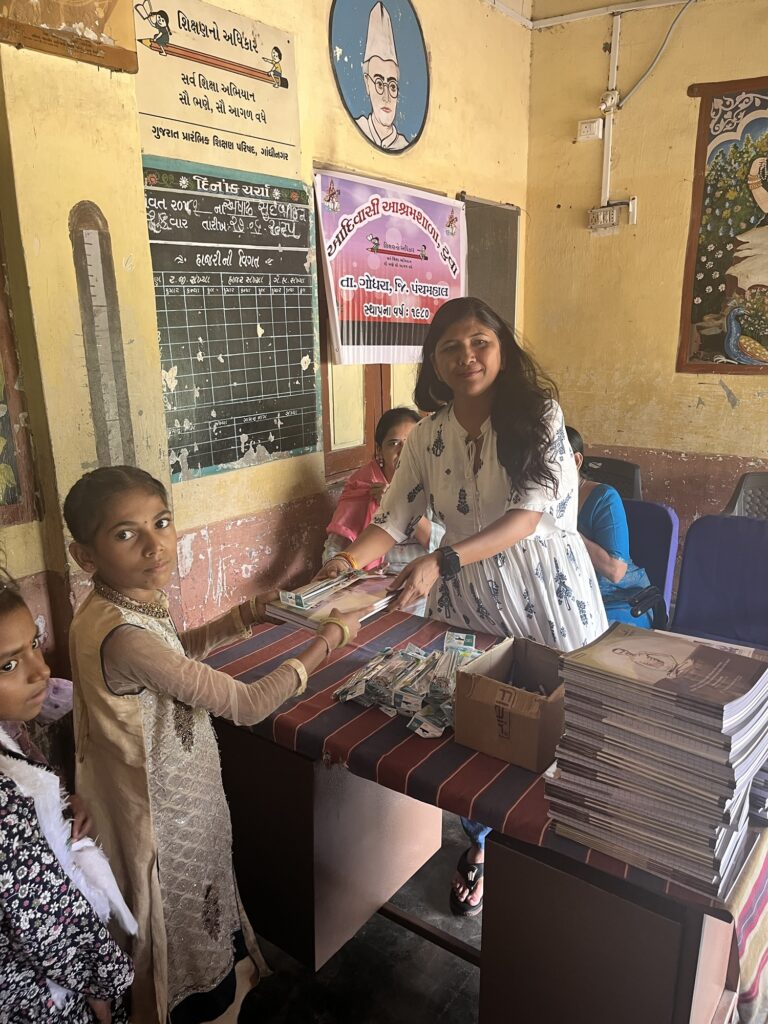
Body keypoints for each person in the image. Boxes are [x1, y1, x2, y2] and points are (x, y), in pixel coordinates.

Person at [315, 296, 608, 916]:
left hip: (545, 595)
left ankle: (560, 863)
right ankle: (479, 844)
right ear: (434, 361)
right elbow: (392, 521)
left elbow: (526, 519)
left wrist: (441, 560)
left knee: (564, 727)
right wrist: (344, 564)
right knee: (482, 730)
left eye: (480, 342)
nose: (466, 356)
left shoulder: (539, 416)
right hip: (469, 605)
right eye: (450, 347)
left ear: (502, 350)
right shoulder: (427, 435)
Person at [63, 466, 362, 1024]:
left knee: (202, 915)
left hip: (168, 795)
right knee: (185, 929)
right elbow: (247, 705)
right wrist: (329, 641)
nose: (155, 545)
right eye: (126, 534)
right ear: (85, 556)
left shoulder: (114, 606)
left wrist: (244, 616)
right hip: (166, 815)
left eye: (161, 522)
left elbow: (172, 657)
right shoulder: (123, 635)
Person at [0, 570, 135, 1023]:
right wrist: (101, 984)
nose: (41, 670)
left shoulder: (8, 731)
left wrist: (61, 806)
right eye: (8, 665)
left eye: (34, 645)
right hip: (38, 994)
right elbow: (46, 922)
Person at [323, 407, 444, 585]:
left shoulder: (437, 485)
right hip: (369, 583)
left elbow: (446, 546)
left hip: (424, 582)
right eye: (394, 443)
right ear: (379, 450)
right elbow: (335, 548)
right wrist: (342, 572)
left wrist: (398, 507)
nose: (403, 451)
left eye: (411, 443)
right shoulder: (363, 487)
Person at [566, 426, 653, 629]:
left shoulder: (604, 497)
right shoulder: (538, 499)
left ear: (576, 461)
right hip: (571, 597)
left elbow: (615, 571)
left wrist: (566, 530)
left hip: (619, 600)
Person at [355, 2, 408, 151]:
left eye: (392, 86)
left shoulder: (403, 145)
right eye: (379, 84)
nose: (386, 97)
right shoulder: (356, 129)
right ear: (367, 83)